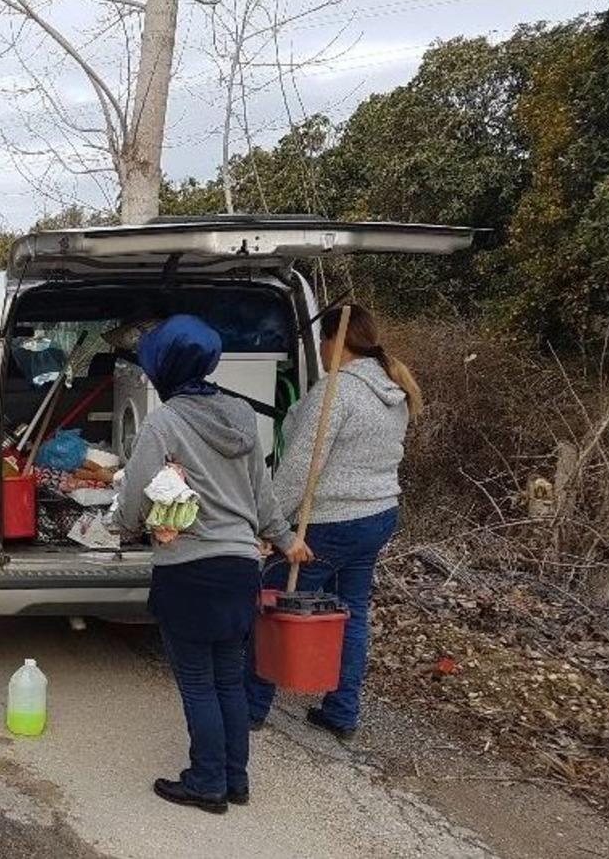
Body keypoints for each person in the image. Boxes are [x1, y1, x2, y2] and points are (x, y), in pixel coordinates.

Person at [114, 315, 312, 814]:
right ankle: (235, 780)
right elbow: (261, 492)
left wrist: (123, 524)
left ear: (165, 365)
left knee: (199, 683)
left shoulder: (166, 420)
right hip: (240, 567)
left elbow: (136, 494)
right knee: (228, 679)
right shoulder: (242, 413)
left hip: (188, 569)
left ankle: (206, 782)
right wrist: (285, 539)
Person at [245, 303, 421, 739]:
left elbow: (300, 468)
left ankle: (250, 707)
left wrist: (270, 526)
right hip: (378, 515)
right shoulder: (393, 389)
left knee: (271, 603)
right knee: (353, 613)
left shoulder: (337, 392)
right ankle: (342, 712)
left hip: (329, 522)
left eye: (323, 345)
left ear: (332, 342)